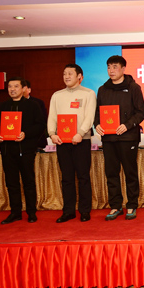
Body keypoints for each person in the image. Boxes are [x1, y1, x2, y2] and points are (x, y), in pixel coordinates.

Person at [95, 55, 144, 221]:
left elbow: (141, 112)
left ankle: (132, 204)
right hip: (108, 138)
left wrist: (127, 125)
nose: (111, 70)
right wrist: (97, 124)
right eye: (109, 67)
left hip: (128, 137)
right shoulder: (102, 89)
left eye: (115, 67)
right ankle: (115, 206)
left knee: (130, 172)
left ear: (123, 69)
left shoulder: (133, 88)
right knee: (111, 173)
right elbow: (97, 112)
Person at [0, 77, 46, 224]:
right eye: (10, 86)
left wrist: (25, 134)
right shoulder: (2, 106)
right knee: (11, 183)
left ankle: (31, 212)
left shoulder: (32, 105)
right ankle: (15, 212)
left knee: (28, 182)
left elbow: (40, 125)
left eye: (16, 86)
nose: (12, 89)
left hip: (26, 150)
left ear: (23, 89)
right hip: (7, 151)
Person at [47, 64, 97, 222]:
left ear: (79, 77)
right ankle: (68, 211)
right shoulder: (57, 95)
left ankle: (84, 210)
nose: (66, 76)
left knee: (83, 177)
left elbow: (90, 117)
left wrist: (80, 133)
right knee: (67, 178)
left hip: (81, 140)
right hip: (62, 141)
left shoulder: (88, 93)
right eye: (64, 74)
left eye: (70, 73)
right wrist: (52, 133)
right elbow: (52, 116)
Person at [23, 79, 48, 149]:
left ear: (29, 90)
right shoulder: (10, 104)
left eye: (23, 88)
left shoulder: (38, 103)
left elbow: (43, 120)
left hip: (36, 140)